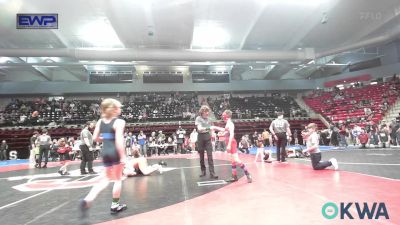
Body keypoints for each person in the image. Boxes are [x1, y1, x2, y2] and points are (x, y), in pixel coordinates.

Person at [79, 98, 128, 217]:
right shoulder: (119, 122)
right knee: (117, 179)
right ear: (115, 110)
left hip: (105, 152)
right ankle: (115, 205)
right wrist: (123, 156)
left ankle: (89, 199)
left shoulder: (100, 121)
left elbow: (95, 138)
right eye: (119, 107)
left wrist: (105, 138)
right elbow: (119, 140)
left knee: (106, 179)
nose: (120, 109)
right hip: (115, 152)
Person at [214, 110, 252, 182]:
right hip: (230, 142)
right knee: (232, 160)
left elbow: (231, 134)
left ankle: (248, 174)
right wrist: (214, 127)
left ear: (227, 116)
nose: (222, 116)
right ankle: (234, 176)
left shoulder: (230, 124)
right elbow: (224, 130)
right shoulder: (228, 123)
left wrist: (228, 145)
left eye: (223, 114)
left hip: (231, 143)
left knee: (236, 160)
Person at [195, 105, 218, 179]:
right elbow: (199, 128)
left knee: (210, 156)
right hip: (200, 138)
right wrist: (208, 128)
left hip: (207, 137)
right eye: (206, 112)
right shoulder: (198, 118)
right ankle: (203, 171)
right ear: (202, 112)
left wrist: (213, 133)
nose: (207, 113)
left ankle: (212, 173)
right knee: (201, 156)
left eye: (208, 112)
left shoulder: (209, 119)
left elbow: (212, 129)